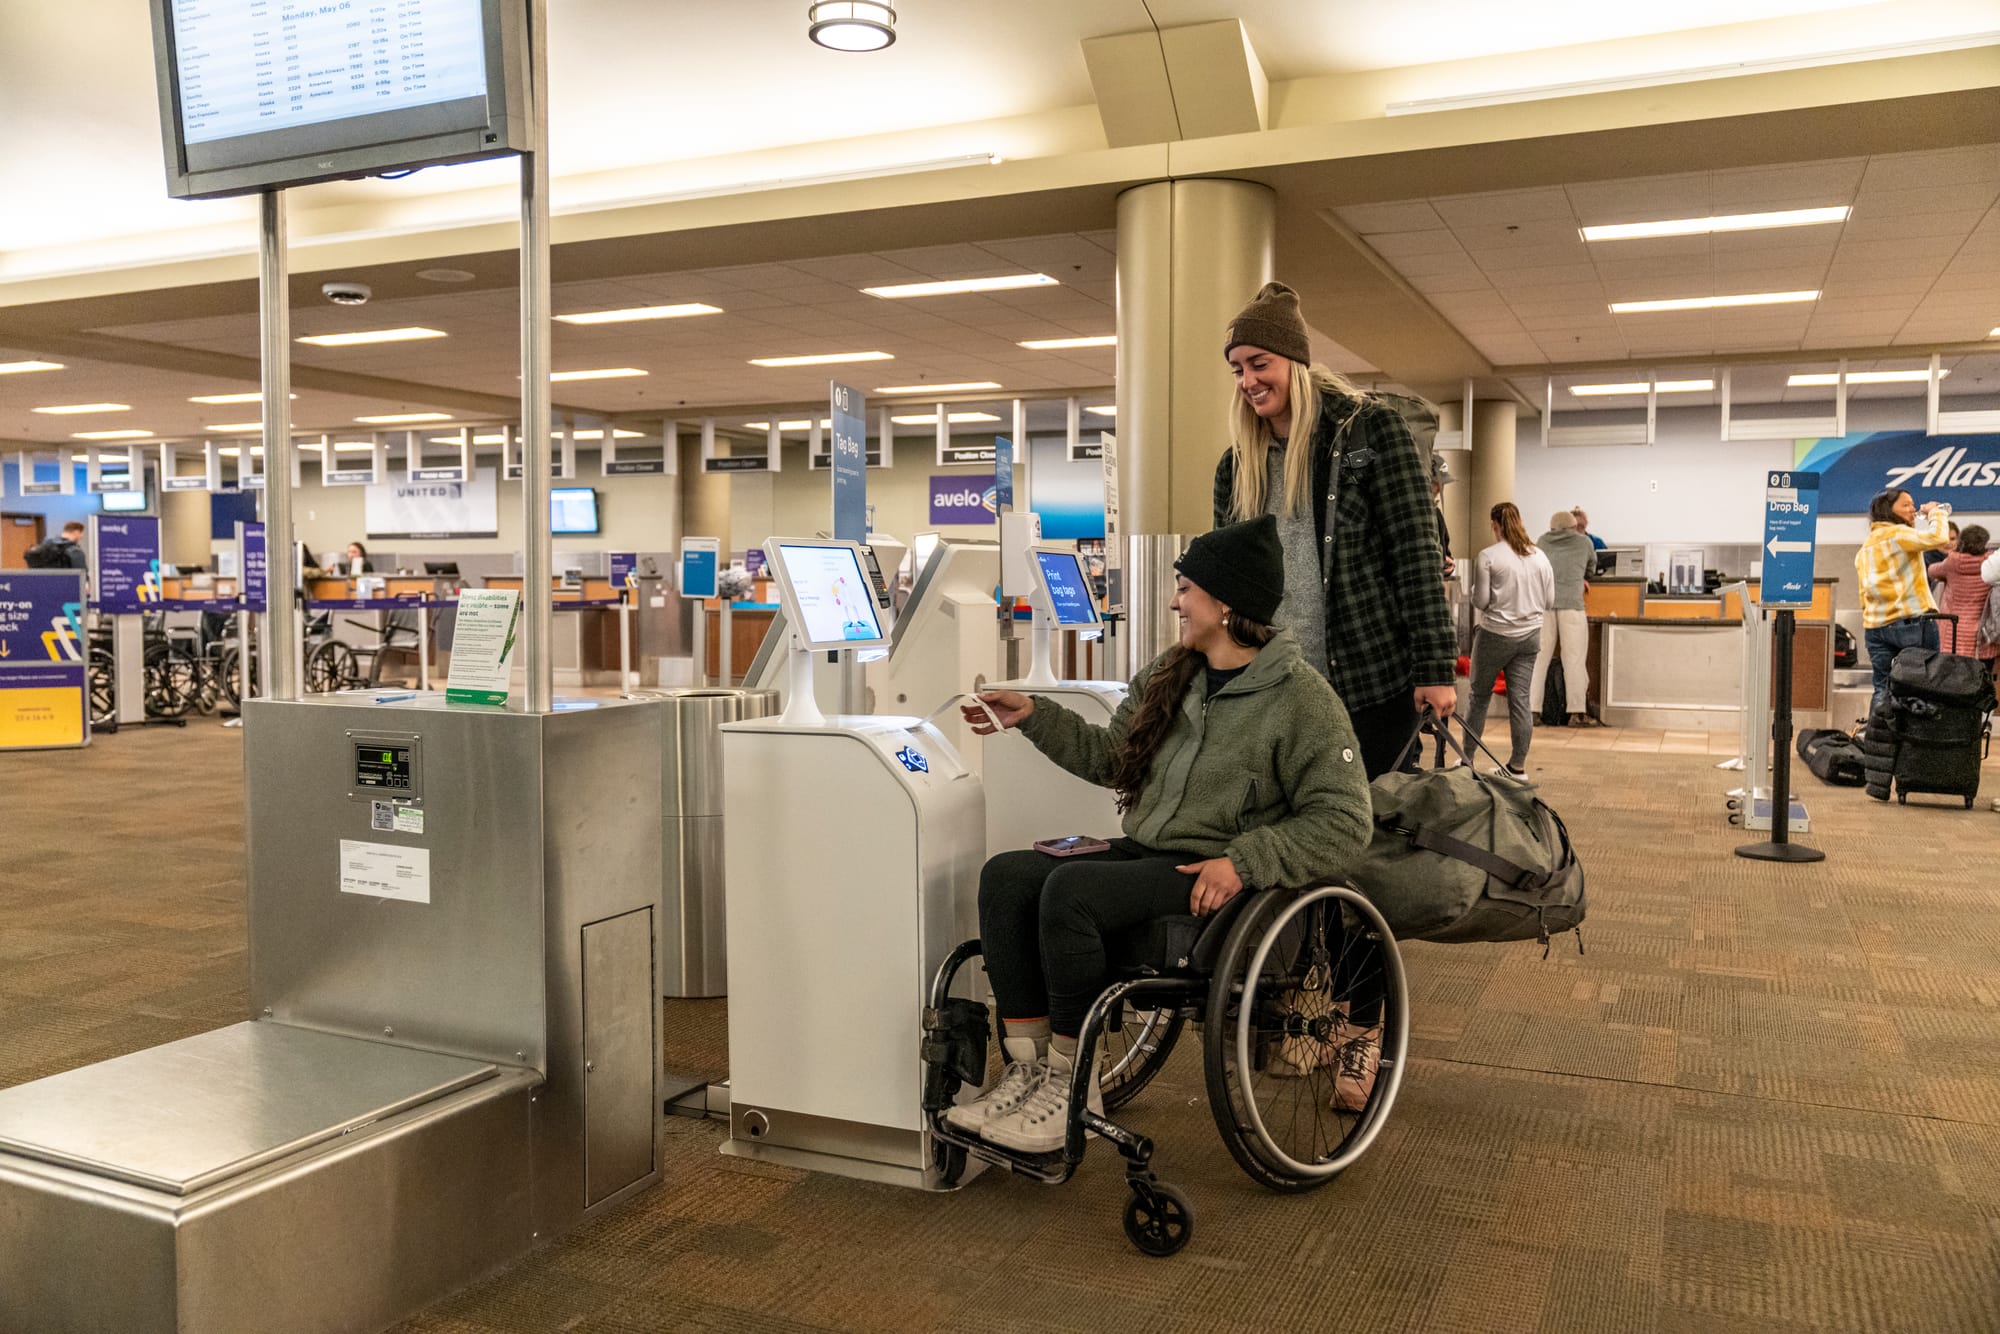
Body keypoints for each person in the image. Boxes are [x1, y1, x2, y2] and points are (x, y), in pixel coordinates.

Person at [951, 516, 1373, 1151]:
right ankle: (1028, 1071)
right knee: (1007, 876)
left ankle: (1072, 1080)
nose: (1175, 601)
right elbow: (1113, 757)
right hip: (1148, 854)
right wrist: (1036, 717)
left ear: (1225, 603)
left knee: (1071, 891)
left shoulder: (1302, 700)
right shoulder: (1171, 674)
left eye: (1186, 588)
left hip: (1215, 876)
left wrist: (1243, 860)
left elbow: (1344, 822)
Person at [1211, 281, 1456, 779]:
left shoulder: (1371, 432)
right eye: (1238, 369)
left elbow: (1415, 554)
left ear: (1294, 362)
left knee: (1372, 836)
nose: (1248, 381)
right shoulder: (1236, 466)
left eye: (1260, 363)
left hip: (1368, 682)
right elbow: (1225, 583)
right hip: (1271, 687)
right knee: (1287, 832)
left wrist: (1435, 668)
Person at [1464, 503, 1554, 777]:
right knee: (1520, 700)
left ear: (1495, 525)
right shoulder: (1540, 556)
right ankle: (1517, 767)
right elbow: (1549, 601)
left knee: (1479, 697)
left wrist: (1472, 591)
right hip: (1530, 637)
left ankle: (1466, 761)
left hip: (1495, 635)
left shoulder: (1489, 556)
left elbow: (1481, 601)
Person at [1855, 488, 1951, 716]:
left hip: (1875, 628)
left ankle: (1880, 742)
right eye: (1905, 505)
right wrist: (1936, 513)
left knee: (1882, 687)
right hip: (1912, 622)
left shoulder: (1866, 546)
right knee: (1923, 684)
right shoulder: (1898, 534)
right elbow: (1939, 538)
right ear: (1889, 510)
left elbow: (1863, 594)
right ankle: (1920, 744)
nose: (1912, 509)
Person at [1529, 510, 1599, 728]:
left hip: (1545, 606)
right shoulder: (1584, 543)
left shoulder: (1541, 542)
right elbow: (1591, 569)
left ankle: (1532, 712)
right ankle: (1577, 713)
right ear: (1572, 527)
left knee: (1539, 660)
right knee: (1574, 660)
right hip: (1572, 606)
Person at [1928, 524, 1994, 670]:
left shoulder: (1952, 563)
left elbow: (1931, 571)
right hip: (1981, 635)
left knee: (1953, 681)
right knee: (1981, 679)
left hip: (1954, 631)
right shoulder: (1992, 564)